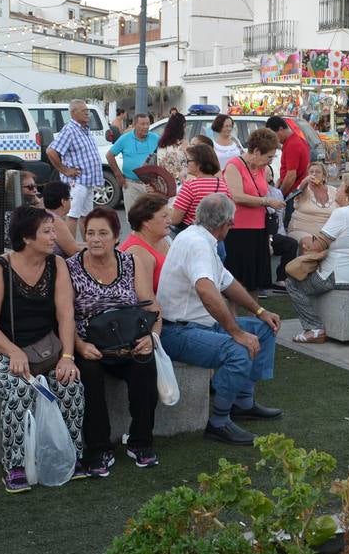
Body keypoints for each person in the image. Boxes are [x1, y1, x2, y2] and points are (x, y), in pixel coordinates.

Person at [0, 206, 83, 493]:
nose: (54, 236)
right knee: (19, 387)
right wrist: (13, 352)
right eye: (47, 231)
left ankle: (71, 456)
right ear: (27, 238)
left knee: (71, 384)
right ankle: (15, 467)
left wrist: (68, 357)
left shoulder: (58, 265)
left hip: (43, 351)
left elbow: (66, 315)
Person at [157, 194, 282, 446]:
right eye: (231, 222)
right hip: (177, 332)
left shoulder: (200, 237)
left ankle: (243, 403)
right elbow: (206, 289)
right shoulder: (198, 243)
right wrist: (235, 331)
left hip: (195, 326)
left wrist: (260, 312)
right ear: (225, 223)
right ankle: (219, 422)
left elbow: (226, 281)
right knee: (237, 350)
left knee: (264, 329)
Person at [67, 207, 161, 474]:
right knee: (89, 374)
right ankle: (99, 448)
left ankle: (141, 441)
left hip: (129, 339)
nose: (96, 239)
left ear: (116, 237)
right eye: (90, 233)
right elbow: (63, 314)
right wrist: (79, 345)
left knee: (144, 362)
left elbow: (152, 305)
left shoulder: (131, 262)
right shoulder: (70, 267)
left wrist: (152, 337)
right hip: (90, 343)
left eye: (103, 233)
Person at [288, 172, 349, 344]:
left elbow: (317, 246)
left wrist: (303, 240)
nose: (337, 189)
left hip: (339, 275)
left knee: (292, 284)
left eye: (341, 186)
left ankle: (314, 328)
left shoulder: (342, 213)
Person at [223, 127, 283, 294]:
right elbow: (236, 196)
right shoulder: (234, 165)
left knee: (255, 283)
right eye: (269, 156)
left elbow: (261, 191)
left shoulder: (261, 167)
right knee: (237, 282)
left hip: (259, 229)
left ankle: (254, 317)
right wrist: (266, 201)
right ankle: (232, 319)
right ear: (256, 151)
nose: (270, 161)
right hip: (239, 230)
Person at [45, 99, 106, 235]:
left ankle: (87, 249)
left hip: (88, 181)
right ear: (73, 113)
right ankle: (69, 250)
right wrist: (65, 170)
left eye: (88, 111)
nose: (87, 114)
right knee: (73, 215)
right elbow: (51, 151)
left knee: (86, 216)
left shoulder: (84, 129)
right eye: (84, 111)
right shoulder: (70, 130)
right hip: (77, 182)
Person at [107, 112, 160, 213]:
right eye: (142, 124)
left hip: (151, 186)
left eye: (148, 124)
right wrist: (119, 176)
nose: (146, 127)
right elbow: (109, 156)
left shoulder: (155, 138)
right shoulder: (125, 138)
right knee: (133, 218)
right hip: (131, 185)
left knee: (150, 218)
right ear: (135, 125)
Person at [169, 143, 231, 228]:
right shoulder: (223, 185)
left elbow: (175, 219)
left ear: (199, 163)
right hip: (214, 235)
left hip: (192, 233)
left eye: (188, 161)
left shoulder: (191, 186)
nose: (186, 164)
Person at [121, 193, 170, 295]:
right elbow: (146, 300)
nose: (169, 221)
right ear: (146, 222)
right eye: (164, 216)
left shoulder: (163, 239)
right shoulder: (137, 252)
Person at [286, 162, 337, 243]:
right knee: (310, 243)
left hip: (326, 234)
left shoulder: (334, 191)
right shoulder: (304, 189)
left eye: (318, 172)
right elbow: (299, 190)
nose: (314, 174)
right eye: (311, 172)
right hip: (301, 229)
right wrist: (305, 181)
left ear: (324, 176)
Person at [268, 115, 308, 197]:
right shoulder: (295, 140)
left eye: (273, 135)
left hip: (293, 194)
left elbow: (291, 176)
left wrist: (280, 195)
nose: (272, 139)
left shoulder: (292, 145)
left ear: (281, 130)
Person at [40, 180, 80, 256]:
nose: (70, 201)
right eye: (70, 198)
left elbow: (71, 243)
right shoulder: (55, 221)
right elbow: (73, 252)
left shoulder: (44, 214)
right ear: (63, 202)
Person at [156, 112, 189, 186]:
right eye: (185, 126)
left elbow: (161, 165)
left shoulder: (162, 145)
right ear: (182, 126)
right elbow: (191, 164)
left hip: (166, 185)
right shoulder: (183, 145)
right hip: (182, 185)